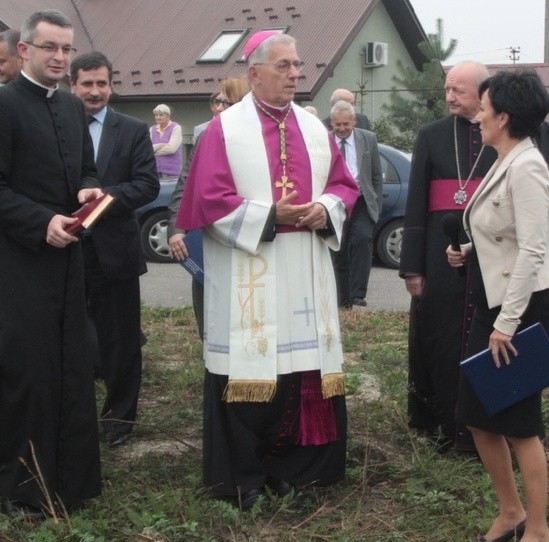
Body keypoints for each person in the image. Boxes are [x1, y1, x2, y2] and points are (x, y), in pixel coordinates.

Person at [176, 30, 359, 509]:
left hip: (304, 271)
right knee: (249, 370)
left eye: (297, 65)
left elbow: (344, 186)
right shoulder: (223, 130)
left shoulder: (316, 129)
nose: (295, 74)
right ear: (254, 73)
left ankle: (299, 469)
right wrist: (268, 215)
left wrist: (325, 208)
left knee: (302, 369)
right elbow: (208, 201)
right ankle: (244, 476)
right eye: (284, 65)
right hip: (250, 269)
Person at [0, 9, 103, 516]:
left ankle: (72, 482)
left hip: (68, 263)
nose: (61, 58)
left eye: (66, 49)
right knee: (29, 376)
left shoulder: (69, 106)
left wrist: (87, 185)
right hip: (19, 265)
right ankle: (24, 493)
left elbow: (84, 164)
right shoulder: (2, 104)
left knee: (72, 366)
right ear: (25, 51)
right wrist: (42, 222)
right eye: (50, 49)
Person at [447, 70, 549, 542]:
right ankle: (511, 512)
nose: (478, 116)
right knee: (477, 413)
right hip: (496, 302)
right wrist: (469, 251)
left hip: (519, 309)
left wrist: (507, 323)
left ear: (504, 116)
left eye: (484, 109)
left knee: (520, 424)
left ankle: (540, 528)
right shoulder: (503, 158)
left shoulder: (527, 165)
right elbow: (503, 232)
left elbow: (534, 250)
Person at [399, 61, 497, 451]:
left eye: (459, 90)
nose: (449, 96)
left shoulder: (503, 135)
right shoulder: (431, 135)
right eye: (447, 89)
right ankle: (440, 424)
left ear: (482, 93)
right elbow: (416, 203)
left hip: (489, 254)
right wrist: (412, 266)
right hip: (439, 259)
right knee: (438, 338)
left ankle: (486, 429)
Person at [70, 52, 160, 447]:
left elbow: (147, 185)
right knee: (70, 338)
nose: (95, 91)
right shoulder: (56, 127)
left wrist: (102, 199)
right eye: (87, 84)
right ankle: (72, 418)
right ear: (71, 85)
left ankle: (119, 420)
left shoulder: (132, 129)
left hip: (114, 252)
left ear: (111, 85)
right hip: (64, 248)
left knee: (121, 341)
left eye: (101, 83)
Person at [168, 77, 251, 341]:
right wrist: (176, 229)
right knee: (209, 323)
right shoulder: (205, 136)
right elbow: (185, 185)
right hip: (207, 242)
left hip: (245, 242)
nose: (216, 108)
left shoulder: (257, 142)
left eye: (224, 102)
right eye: (214, 101)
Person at [330, 100, 383, 308]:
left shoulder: (368, 139)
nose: (342, 129)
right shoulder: (324, 141)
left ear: (354, 121)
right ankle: (343, 301)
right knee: (339, 249)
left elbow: (377, 175)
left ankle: (357, 294)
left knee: (362, 238)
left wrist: (376, 207)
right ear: (332, 124)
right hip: (336, 201)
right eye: (337, 125)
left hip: (361, 199)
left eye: (346, 124)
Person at [150, 103, 183, 177]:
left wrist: (154, 151)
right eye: (156, 115)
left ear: (168, 116)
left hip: (172, 171)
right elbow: (147, 149)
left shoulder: (176, 128)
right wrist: (160, 145)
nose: (158, 117)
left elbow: (171, 149)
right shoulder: (152, 129)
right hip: (155, 170)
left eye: (161, 115)